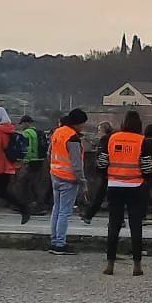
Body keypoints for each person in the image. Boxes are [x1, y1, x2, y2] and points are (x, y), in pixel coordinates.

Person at [97, 111, 152, 276]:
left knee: (114, 225)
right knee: (136, 226)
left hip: (114, 185)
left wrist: (107, 176)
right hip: (136, 187)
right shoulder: (144, 141)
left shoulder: (110, 138)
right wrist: (145, 181)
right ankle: (137, 266)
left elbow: (101, 163)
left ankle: (110, 265)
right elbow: (146, 167)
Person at [46, 109, 89, 255]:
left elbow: (49, 152)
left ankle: (54, 240)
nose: (84, 126)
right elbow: (77, 164)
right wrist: (82, 182)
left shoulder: (58, 132)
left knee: (56, 209)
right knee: (65, 211)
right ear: (78, 123)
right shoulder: (73, 138)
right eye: (83, 123)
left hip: (55, 174)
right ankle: (60, 243)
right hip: (69, 178)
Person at [79, 121, 115, 223]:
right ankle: (89, 215)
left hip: (107, 171)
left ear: (103, 130)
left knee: (102, 195)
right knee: (105, 195)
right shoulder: (112, 138)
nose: (98, 132)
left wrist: (100, 168)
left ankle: (89, 215)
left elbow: (103, 155)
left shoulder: (104, 140)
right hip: (112, 171)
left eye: (99, 130)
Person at [17, 114, 48, 215]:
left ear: (26, 123)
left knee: (27, 183)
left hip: (30, 161)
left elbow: (27, 148)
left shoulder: (27, 133)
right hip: (39, 160)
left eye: (21, 124)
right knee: (31, 183)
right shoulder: (37, 132)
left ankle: (37, 205)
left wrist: (25, 160)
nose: (21, 126)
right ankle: (33, 205)